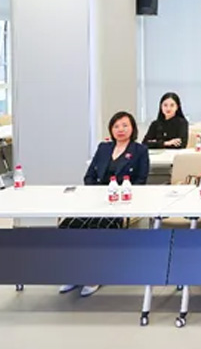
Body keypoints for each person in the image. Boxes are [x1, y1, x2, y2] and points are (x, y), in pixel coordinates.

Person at [61, 111, 149, 297]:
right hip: (96, 201)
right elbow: (89, 176)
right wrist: (97, 194)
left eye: (125, 125)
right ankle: (73, 273)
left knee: (98, 228)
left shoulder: (139, 150)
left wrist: (120, 194)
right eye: (116, 126)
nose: (120, 129)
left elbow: (141, 181)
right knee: (69, 225)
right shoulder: (103, 148)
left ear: (132, 128)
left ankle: (94, 275)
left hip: (121, 203)